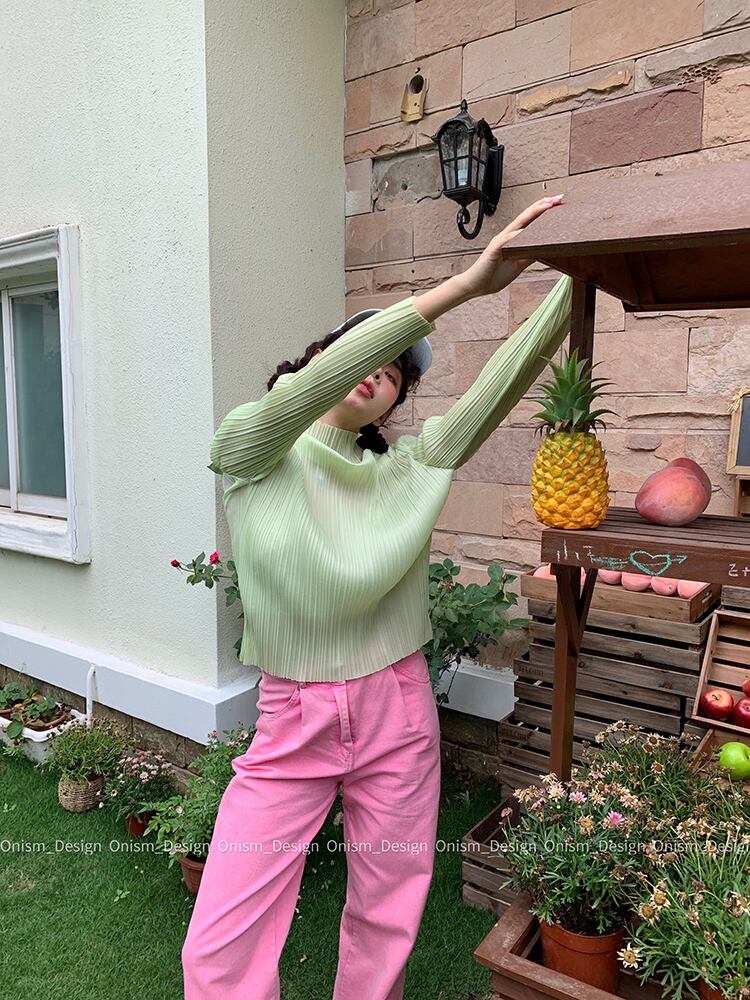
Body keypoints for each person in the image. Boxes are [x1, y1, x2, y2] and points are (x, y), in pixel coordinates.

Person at [183, 195, 572, 1000]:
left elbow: (501, 385)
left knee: (389, 911)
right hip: (293, 716)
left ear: (395, 403)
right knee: (224, 933)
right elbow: (309, 389)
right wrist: (466, 286)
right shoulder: (253, 448)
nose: (380, 372)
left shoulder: (405, 470)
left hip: (397, 705)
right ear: (319, 361)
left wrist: (582, 268)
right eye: (369, 354)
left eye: (397, 373)